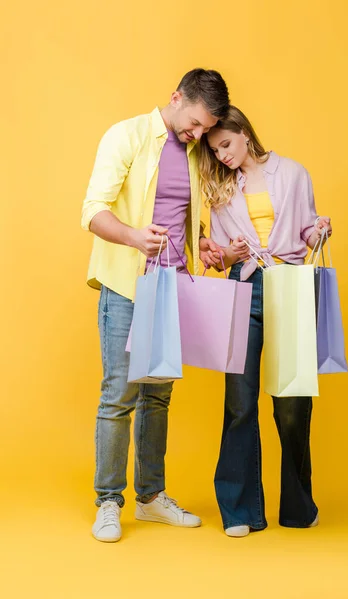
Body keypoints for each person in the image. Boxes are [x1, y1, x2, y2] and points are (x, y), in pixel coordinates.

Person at [81, 68, 229, 542]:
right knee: (119, 395)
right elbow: (92, 210)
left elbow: (179, 213)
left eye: (206, 130)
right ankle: (109, 501)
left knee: (158, 396)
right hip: (127, 285)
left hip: (173, 287)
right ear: (176, 97)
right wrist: (133, 238)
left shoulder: (190, 152)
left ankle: (150, 498)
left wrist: (201, 243)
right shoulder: (125, 136)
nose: (198, 135)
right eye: (195, 124)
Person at [198, 106, 332, 537]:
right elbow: (220, 257)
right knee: (239, 400)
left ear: (244, 133)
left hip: (290, 284)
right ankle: (240, 511)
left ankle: (298, 506)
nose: (221, 156)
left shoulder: (292, 173)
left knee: (292, 399)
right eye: (214, 150)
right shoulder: (220, 188)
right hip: (243, 286)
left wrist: (319, 230)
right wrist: (226, 253)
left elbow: (306, 231)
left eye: (225, 144)